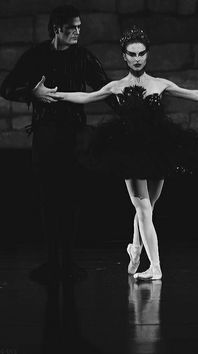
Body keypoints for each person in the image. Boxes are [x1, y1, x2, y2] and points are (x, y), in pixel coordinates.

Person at [51, 26, 198, 281]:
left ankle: (135, 248)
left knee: (148, 208)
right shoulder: (117, 86)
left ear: (147, 55)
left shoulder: (159, 84)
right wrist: (53, 95)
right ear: (124, 56)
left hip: (158, 149)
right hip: (129, 152)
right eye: (132, 54)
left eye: (141, 54)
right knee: (144, 209)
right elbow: (85, 96)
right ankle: (155, 267)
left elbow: (192, 93)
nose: (137, 58)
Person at [0, 5, 116, 282]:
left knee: (72, 197)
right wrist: (32, 93)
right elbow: (6, 88)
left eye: (79, 27)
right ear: (56, 29)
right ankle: (52, 261)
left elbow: (105, 88)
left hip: (74, 136)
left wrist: (132, 112)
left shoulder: (83, 57)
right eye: (71, 28)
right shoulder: (36, 56)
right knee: (49, 198)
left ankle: (68, 261)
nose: (77, 32)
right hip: (46, 135)